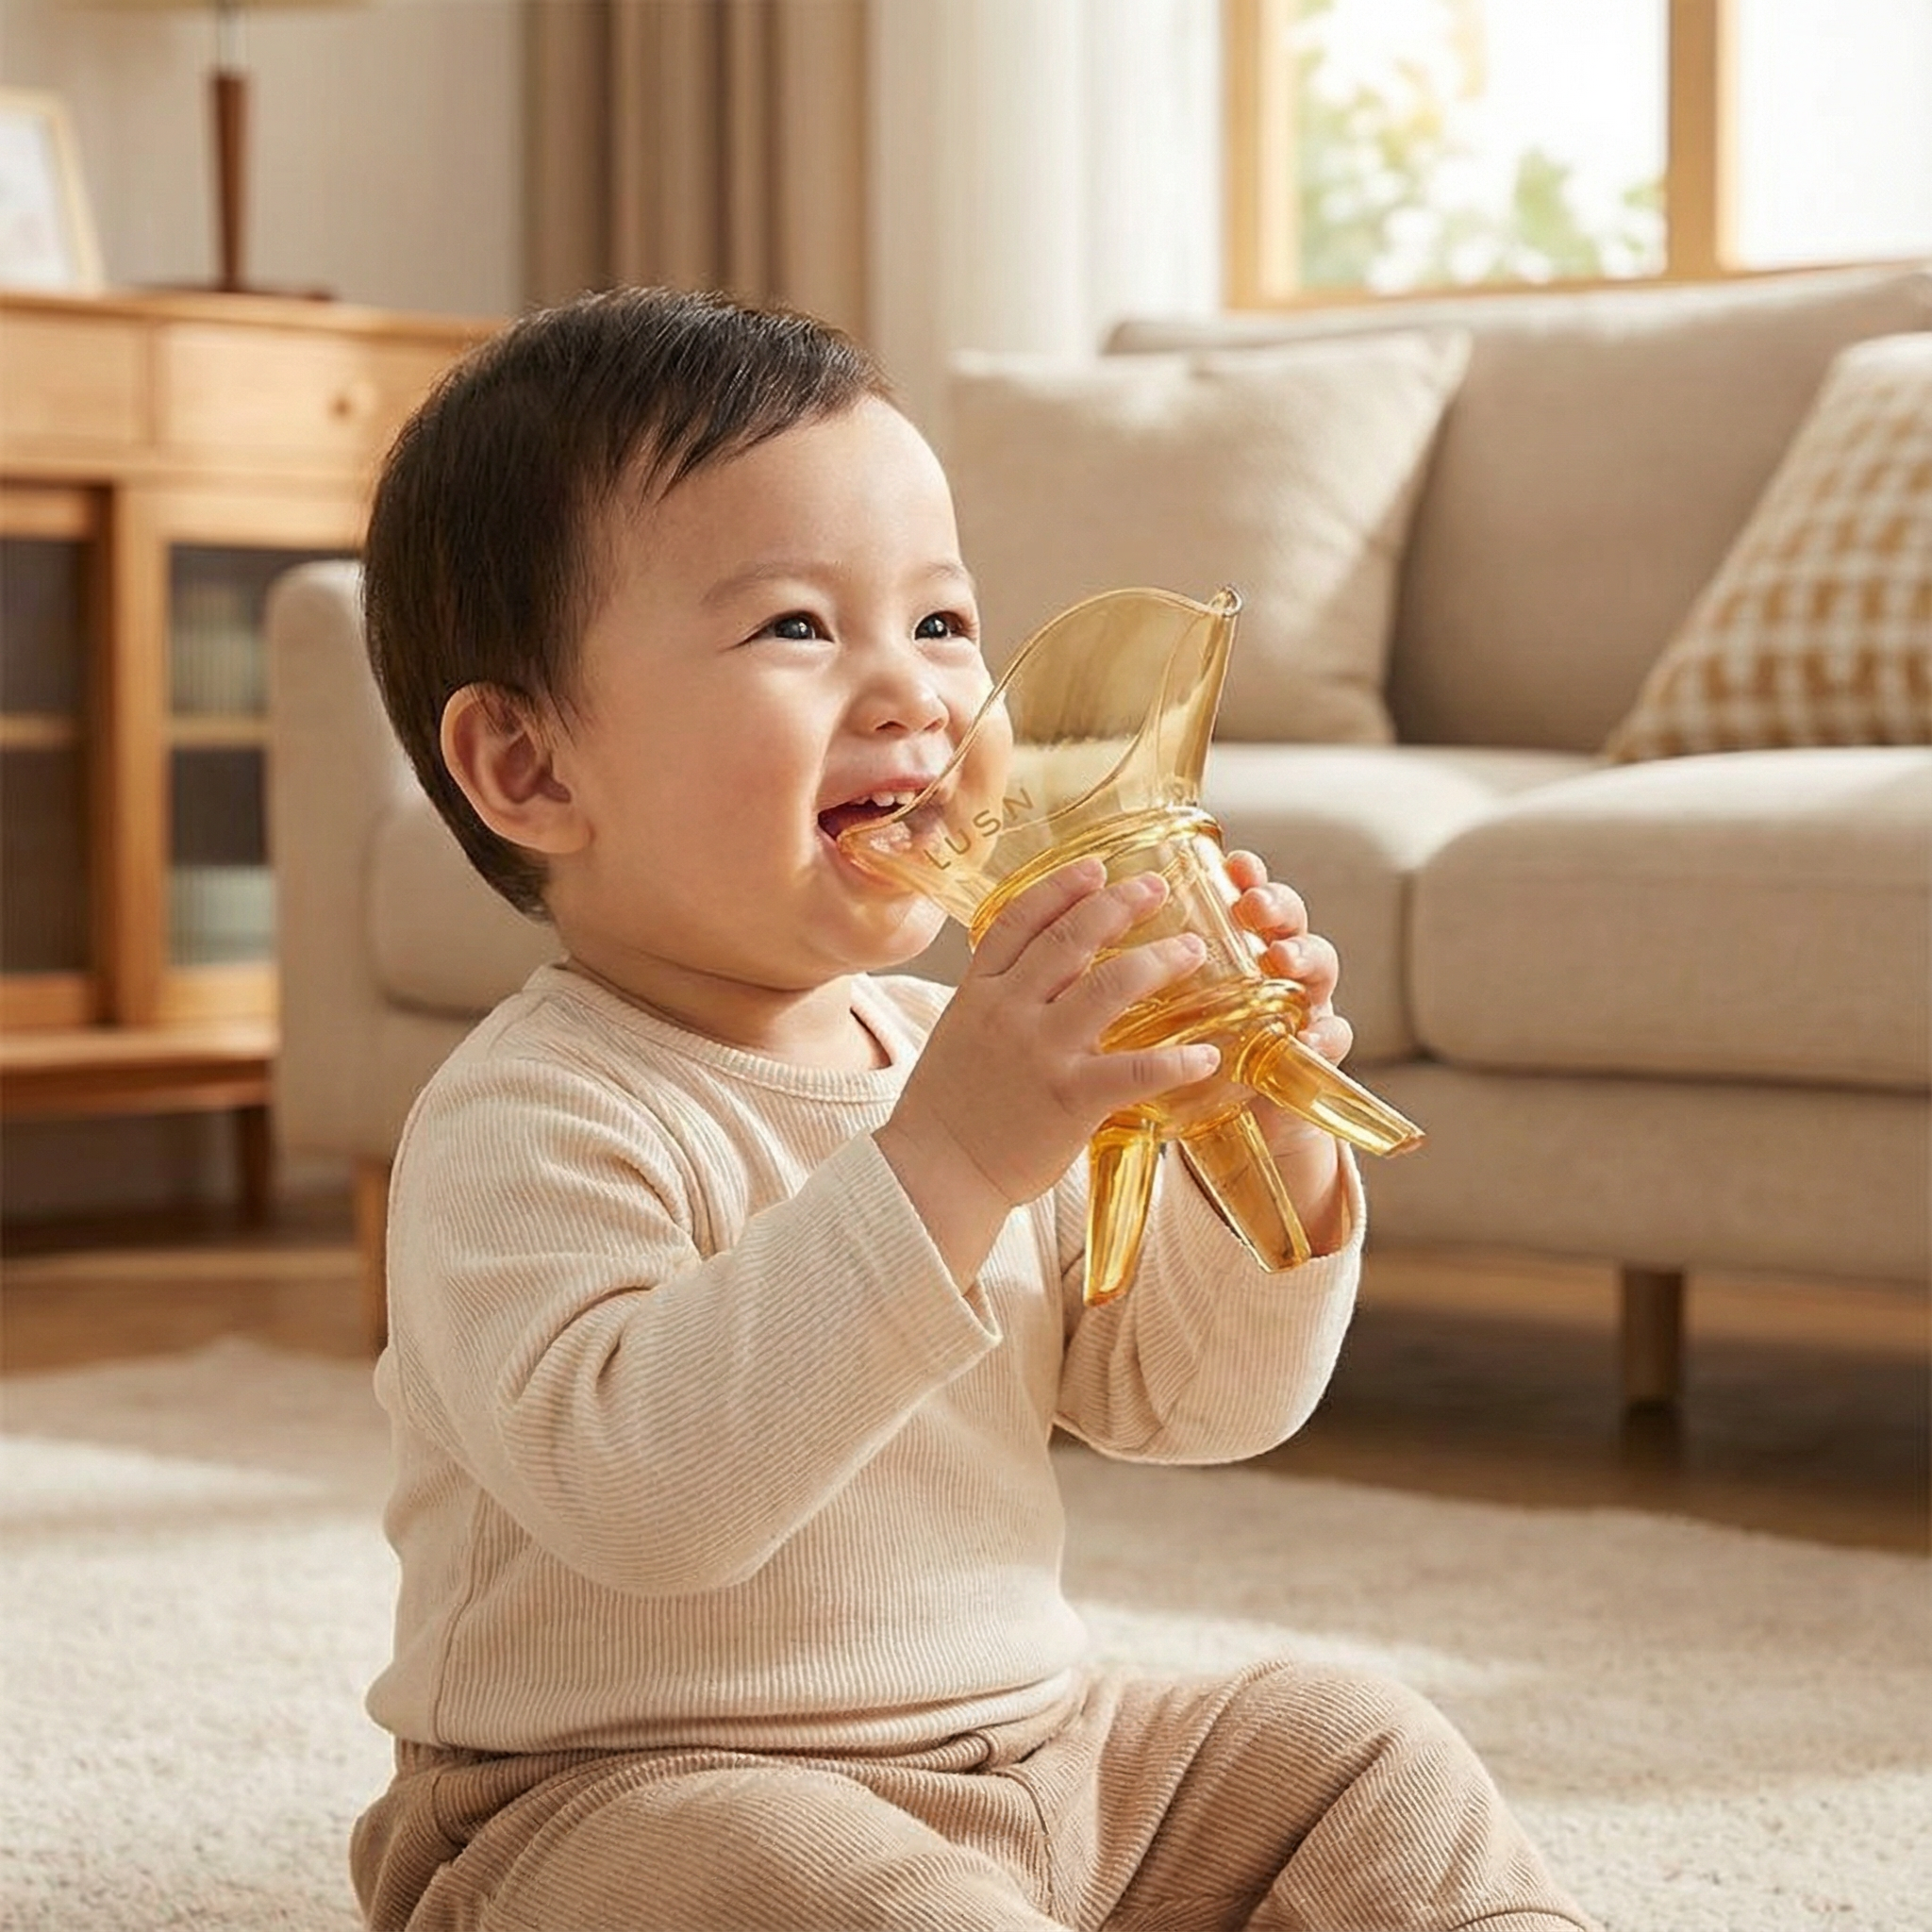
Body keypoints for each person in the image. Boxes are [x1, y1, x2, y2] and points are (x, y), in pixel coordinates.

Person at [347, 285, 1596, 1932]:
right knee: (821, 1886)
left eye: (941, 622)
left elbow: (1192, 1405)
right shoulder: (529, 1119)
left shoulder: (964, 1051)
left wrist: (1255, 1136)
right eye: (798, 630)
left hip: (1034, 1759)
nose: (917, 696)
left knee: (1355, 1745)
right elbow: (651, 1501)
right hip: (616, 1805)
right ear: (532, 769)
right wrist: (946, 1159)